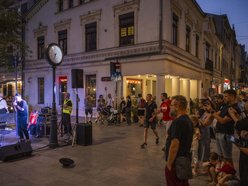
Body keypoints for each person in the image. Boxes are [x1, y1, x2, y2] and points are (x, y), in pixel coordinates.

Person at [165, 95, 193, 186]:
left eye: (172, 105)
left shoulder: (178, 122)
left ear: (177, 106)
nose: (170, 107)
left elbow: (174, 145)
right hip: (185, 159)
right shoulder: (188, 120)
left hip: (176, 161)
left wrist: (169, 164)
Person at [212, 89, 240, 166]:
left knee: (227, 156)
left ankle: (231, 173)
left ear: (232, 96)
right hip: (219, 132)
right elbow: (218, 115)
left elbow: (222, 121)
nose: (224, 98)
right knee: (221, 156)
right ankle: (224, 173)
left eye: (226, 96)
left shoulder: (235, 108)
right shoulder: (225, 106)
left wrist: (213, 113)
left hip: (226, 134)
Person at [228, 101, 248, 186]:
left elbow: (241, 124)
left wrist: (232, 115)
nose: (245, 104)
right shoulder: (244, 115)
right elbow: (242, 124)